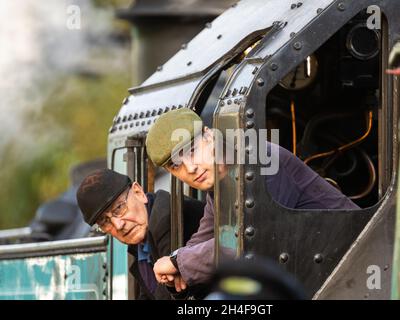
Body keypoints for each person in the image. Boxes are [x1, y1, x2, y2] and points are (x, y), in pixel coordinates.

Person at [145, 108, 360, 293]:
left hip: (355, 264)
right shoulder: (221, 184)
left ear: (209, 136)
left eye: (192, 151)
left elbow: (249, 238)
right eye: (176, 166)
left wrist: (177, 262)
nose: (190, 168)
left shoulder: (260, 161)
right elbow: (202, 240)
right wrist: (178, 270)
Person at [76, 168, 205, 299]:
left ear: (138, 192)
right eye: (104, 222)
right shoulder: (140, 245)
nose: (118, 225)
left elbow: (167, 295)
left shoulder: (166, 218)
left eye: (119, 208)